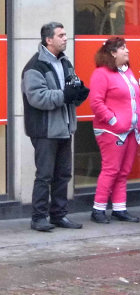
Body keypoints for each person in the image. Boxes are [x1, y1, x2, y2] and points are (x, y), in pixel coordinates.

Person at [21, 22, 89, 232]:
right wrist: (64, 95)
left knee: (63, 174)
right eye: (60, 35)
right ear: (48, 40)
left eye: (65, 34)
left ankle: (59, 215)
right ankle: (39, 218)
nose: (65, 38)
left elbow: (71, 88)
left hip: (65, 128)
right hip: (45, 130)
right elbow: (37, 98)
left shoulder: (66, 63)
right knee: (45, 175)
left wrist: (78, 93)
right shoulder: (34, 67)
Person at [89, 37, 140, 224]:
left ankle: (119, 208)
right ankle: (98, 209)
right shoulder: (101, 74)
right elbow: (96, 103)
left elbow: (136, 98)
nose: (127, 51)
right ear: (113, 53)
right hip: (111, 131)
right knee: (111, 169)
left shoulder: (127, 71)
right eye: (123, 48)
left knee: (123, 171)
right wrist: (114, 121)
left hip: (130, 130)